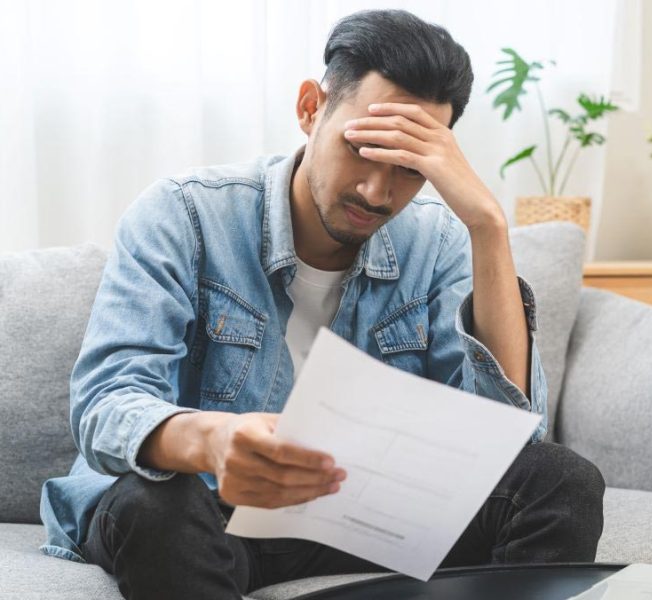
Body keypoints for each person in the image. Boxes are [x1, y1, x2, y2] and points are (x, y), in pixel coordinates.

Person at [39, 8, 605, 600]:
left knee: (559, 480)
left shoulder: (438, 242)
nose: (377, 192)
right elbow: (106, 403)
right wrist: (208, 439)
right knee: (155, 501)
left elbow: (506, 440)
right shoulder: (184, 214)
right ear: (312, 108)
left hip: (360, 512)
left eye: (409, 167)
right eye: (362, 147)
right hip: (209, 506)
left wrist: (487, 226)